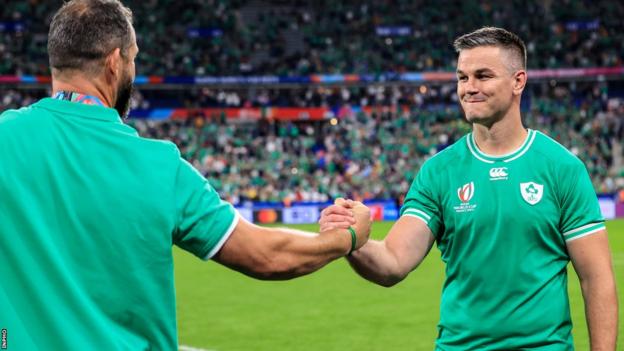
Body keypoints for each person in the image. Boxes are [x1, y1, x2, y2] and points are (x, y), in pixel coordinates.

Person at [0, 1, 371, 349]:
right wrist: (347, 238)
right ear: (115, 62)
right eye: (133, 59)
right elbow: (265, 255)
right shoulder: (159, 166)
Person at [320, 27, 618, 350]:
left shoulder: (562, 168)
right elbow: (393, 261)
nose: (469, 88)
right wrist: (352, 238)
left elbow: (597, 280)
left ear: (518, 81)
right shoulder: (439, 172)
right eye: (462, 78)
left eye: (483, 76)